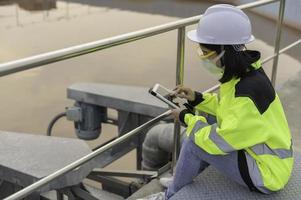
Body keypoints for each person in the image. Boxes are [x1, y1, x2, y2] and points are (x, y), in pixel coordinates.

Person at [138, 4, 294, 200]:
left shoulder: (245, 93)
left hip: (268, 174)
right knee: (207, 121)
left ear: (225, 52)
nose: (203, 59)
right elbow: (228, 110)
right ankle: (183, 176)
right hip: (269, 156)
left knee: (196, 142)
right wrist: (196, 98)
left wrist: (186, 117)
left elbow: (217, 141)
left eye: (206, 53)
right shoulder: (247, 74)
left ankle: (170, 195)